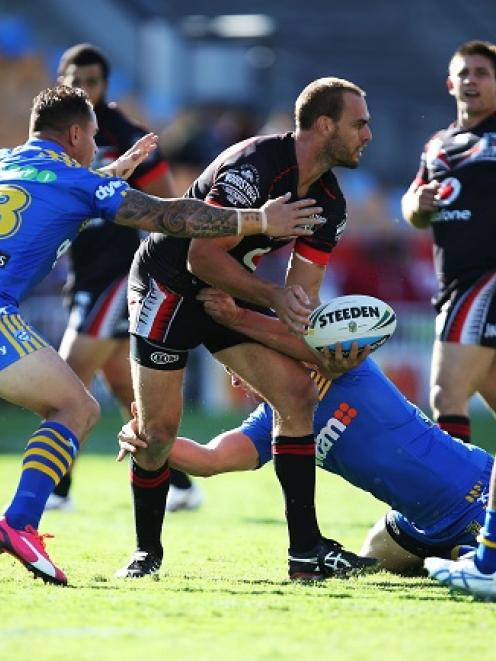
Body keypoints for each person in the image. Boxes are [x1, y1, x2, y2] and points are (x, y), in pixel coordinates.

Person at [0, 85, 320, 586]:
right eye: (93, 140)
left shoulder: (8, 162)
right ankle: (19, 523)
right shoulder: (80, 183)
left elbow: (47, 193)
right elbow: (171, 217)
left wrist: (109, 174)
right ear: (79, 134)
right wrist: (259, 218)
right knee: (78, 408)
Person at [117, 76, 377, 581]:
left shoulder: (330, 202)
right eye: (359, 124)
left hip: (228, 292)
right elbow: (200, 255)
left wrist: (309, 346)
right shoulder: (254, 167)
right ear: (324, 125)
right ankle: (147, 551)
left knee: (298, 394)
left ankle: (305, 552)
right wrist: (270, 299)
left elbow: (300, 300)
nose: (368, 135)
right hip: (167, 285)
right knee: (158, 435)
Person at [118, 289, 492, 574]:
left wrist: (236, 317)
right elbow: (210, 460)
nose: (236, 382)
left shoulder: (336, 363)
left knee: (472, 569)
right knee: (374, 562)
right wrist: (147, 436)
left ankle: (465, 553)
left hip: (477, 492)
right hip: (418, 524)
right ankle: (454, 553)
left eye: (239, 368)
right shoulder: (276, 421)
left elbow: (314, 331)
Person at [48, 42, 201, 513]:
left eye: (93, 82)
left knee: (65, 378)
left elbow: (166, 205)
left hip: (118, 273)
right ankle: (180, 482)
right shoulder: (54, 138)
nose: (85, 89)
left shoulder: (123, 134)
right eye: (77, 81)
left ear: (105, 85)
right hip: (84, 272)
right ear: (61, 81)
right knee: (122, 389)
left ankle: (57, 490)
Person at [401, 40, 496, 444]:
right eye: (464, 73)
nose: (471, 80)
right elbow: (411, 209)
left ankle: (456, 502)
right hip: (454, 282)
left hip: (485, 279)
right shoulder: (437, 146)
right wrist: (416, 204)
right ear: (450, 84)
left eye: (482, 73)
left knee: (446, 392)